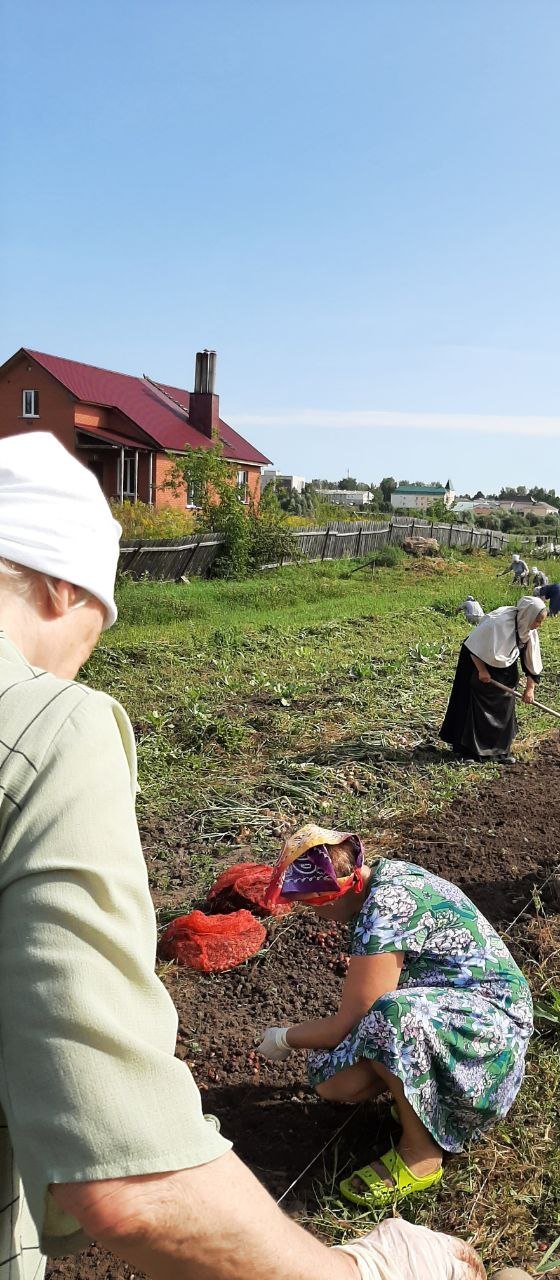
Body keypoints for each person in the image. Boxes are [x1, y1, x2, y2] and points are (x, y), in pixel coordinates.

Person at [0, 433, 484, 1280]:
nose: (80, 667)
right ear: (60, 587)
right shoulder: (47, 727)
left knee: (360, 1055)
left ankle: (423, 1143)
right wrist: (358, 1272)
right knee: (349, 1064)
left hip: (477, 1027)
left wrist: (288, 1040)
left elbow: (359, 1018)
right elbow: (124, 1177)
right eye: (94, 633)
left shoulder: (388, 909)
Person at [257, 827, 533, 1209]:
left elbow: (350, 1022)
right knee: (334, 1078)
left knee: (390, 1018)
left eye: (312, 904)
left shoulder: (385, 912)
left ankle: (422, 1155)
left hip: (493, 1034)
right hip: (457, 1014)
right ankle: (426, 1099)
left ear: (333, 895)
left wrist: (285, 1037)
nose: (315, 914)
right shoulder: (382, 878)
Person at [439, 596, 548, 762]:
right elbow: (472, 645)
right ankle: (469, 752)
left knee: (505, 704)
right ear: (528, 615)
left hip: (503, 664)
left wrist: (530, 688)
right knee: (475, 706)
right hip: (478, 662)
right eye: (537, 621)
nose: (538, 625)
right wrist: (482, 671)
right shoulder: (497, 623)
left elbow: (531, 662)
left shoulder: (528, 629)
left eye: (541, 622)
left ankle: (499, 752)